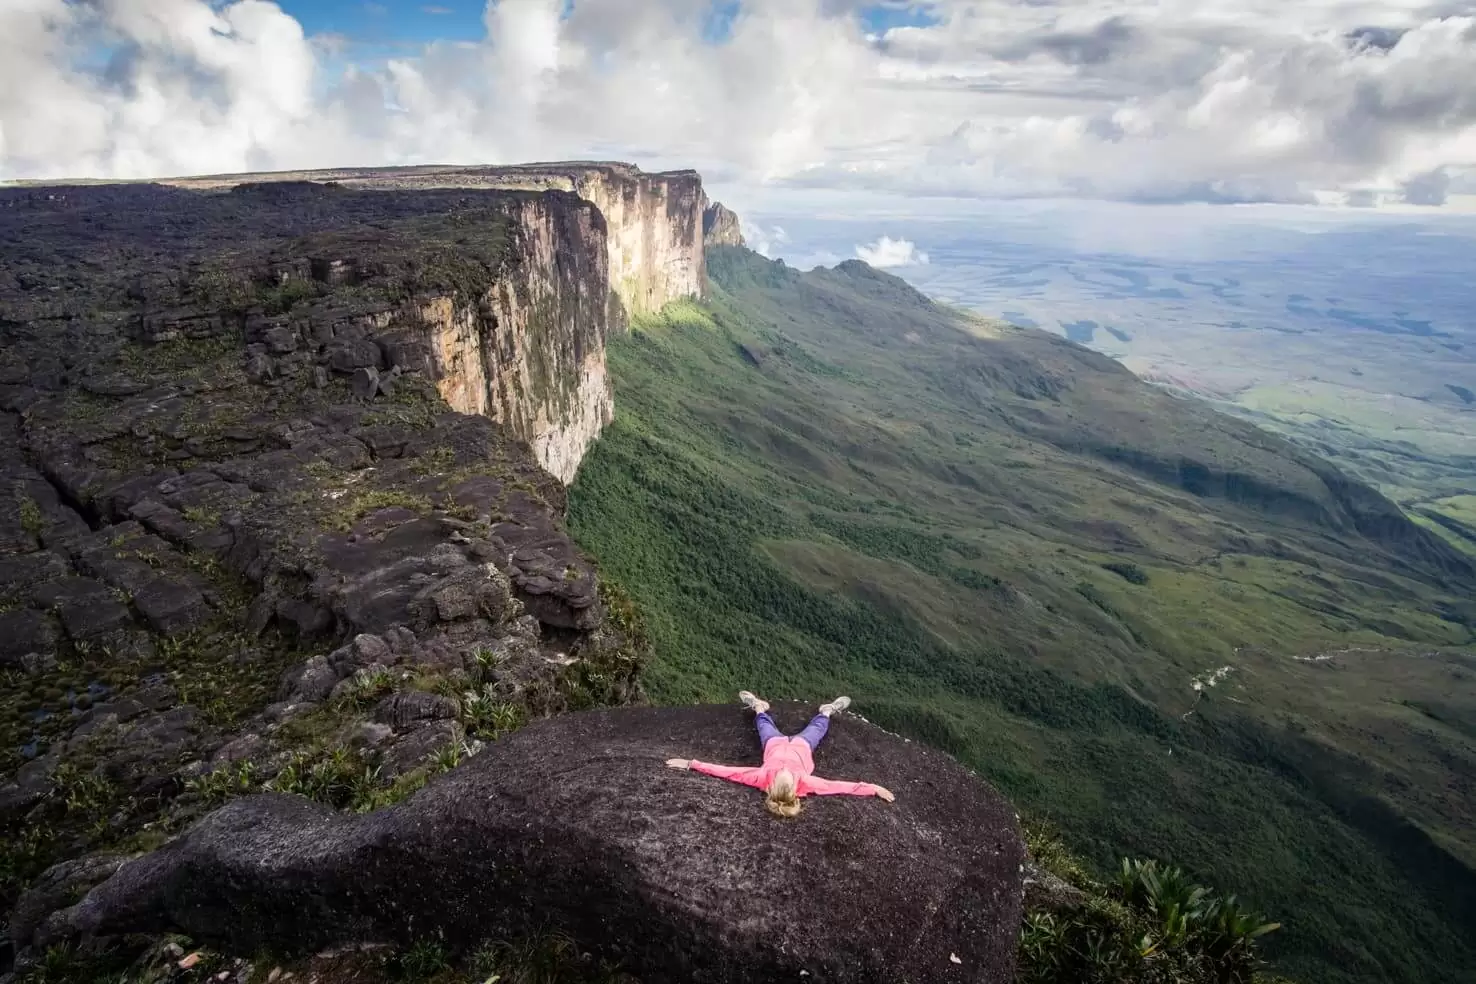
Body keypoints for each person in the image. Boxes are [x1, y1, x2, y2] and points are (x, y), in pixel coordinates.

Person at [666, 691, 896, 818]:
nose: (783, 771)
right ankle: (828, 710)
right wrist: (872, 788)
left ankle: (758, 706)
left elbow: (727, 772)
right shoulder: (806, 782)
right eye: (785, 775)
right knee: (818, 727)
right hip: (802, 746)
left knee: (762, 722)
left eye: (780, 775)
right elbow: (841, 786)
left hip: (774, 744)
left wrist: (691, 763)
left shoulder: (761, 778)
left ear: (771, 784)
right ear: (795, 790)